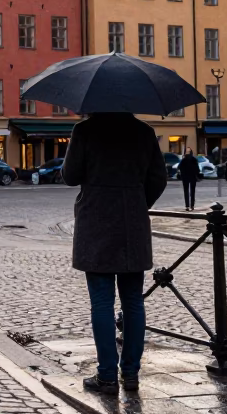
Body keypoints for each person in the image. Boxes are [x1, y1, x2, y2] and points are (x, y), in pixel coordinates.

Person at [62, 112, 166, 395]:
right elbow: (159, 177)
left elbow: (70, 176)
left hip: (96, 220)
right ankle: (130, 373)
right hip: (133, 222)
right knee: (133, 302)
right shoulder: (144, 131)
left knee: (101, 303)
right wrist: (136, 201)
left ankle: (107, 375)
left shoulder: (85, 129)